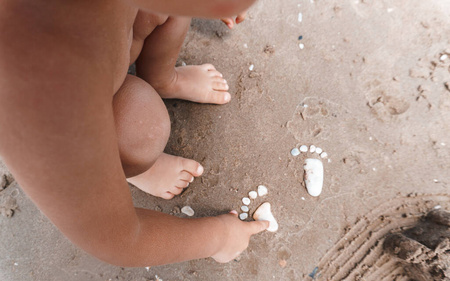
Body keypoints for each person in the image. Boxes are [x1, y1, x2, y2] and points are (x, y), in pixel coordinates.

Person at [0, 0, 269, 266]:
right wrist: (218, 238)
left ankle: (162, 80)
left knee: (166, 7)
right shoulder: (37, 83)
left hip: (102, 51)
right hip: (73, 108)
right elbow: (117, 239)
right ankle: (126, 167)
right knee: (142, 130)